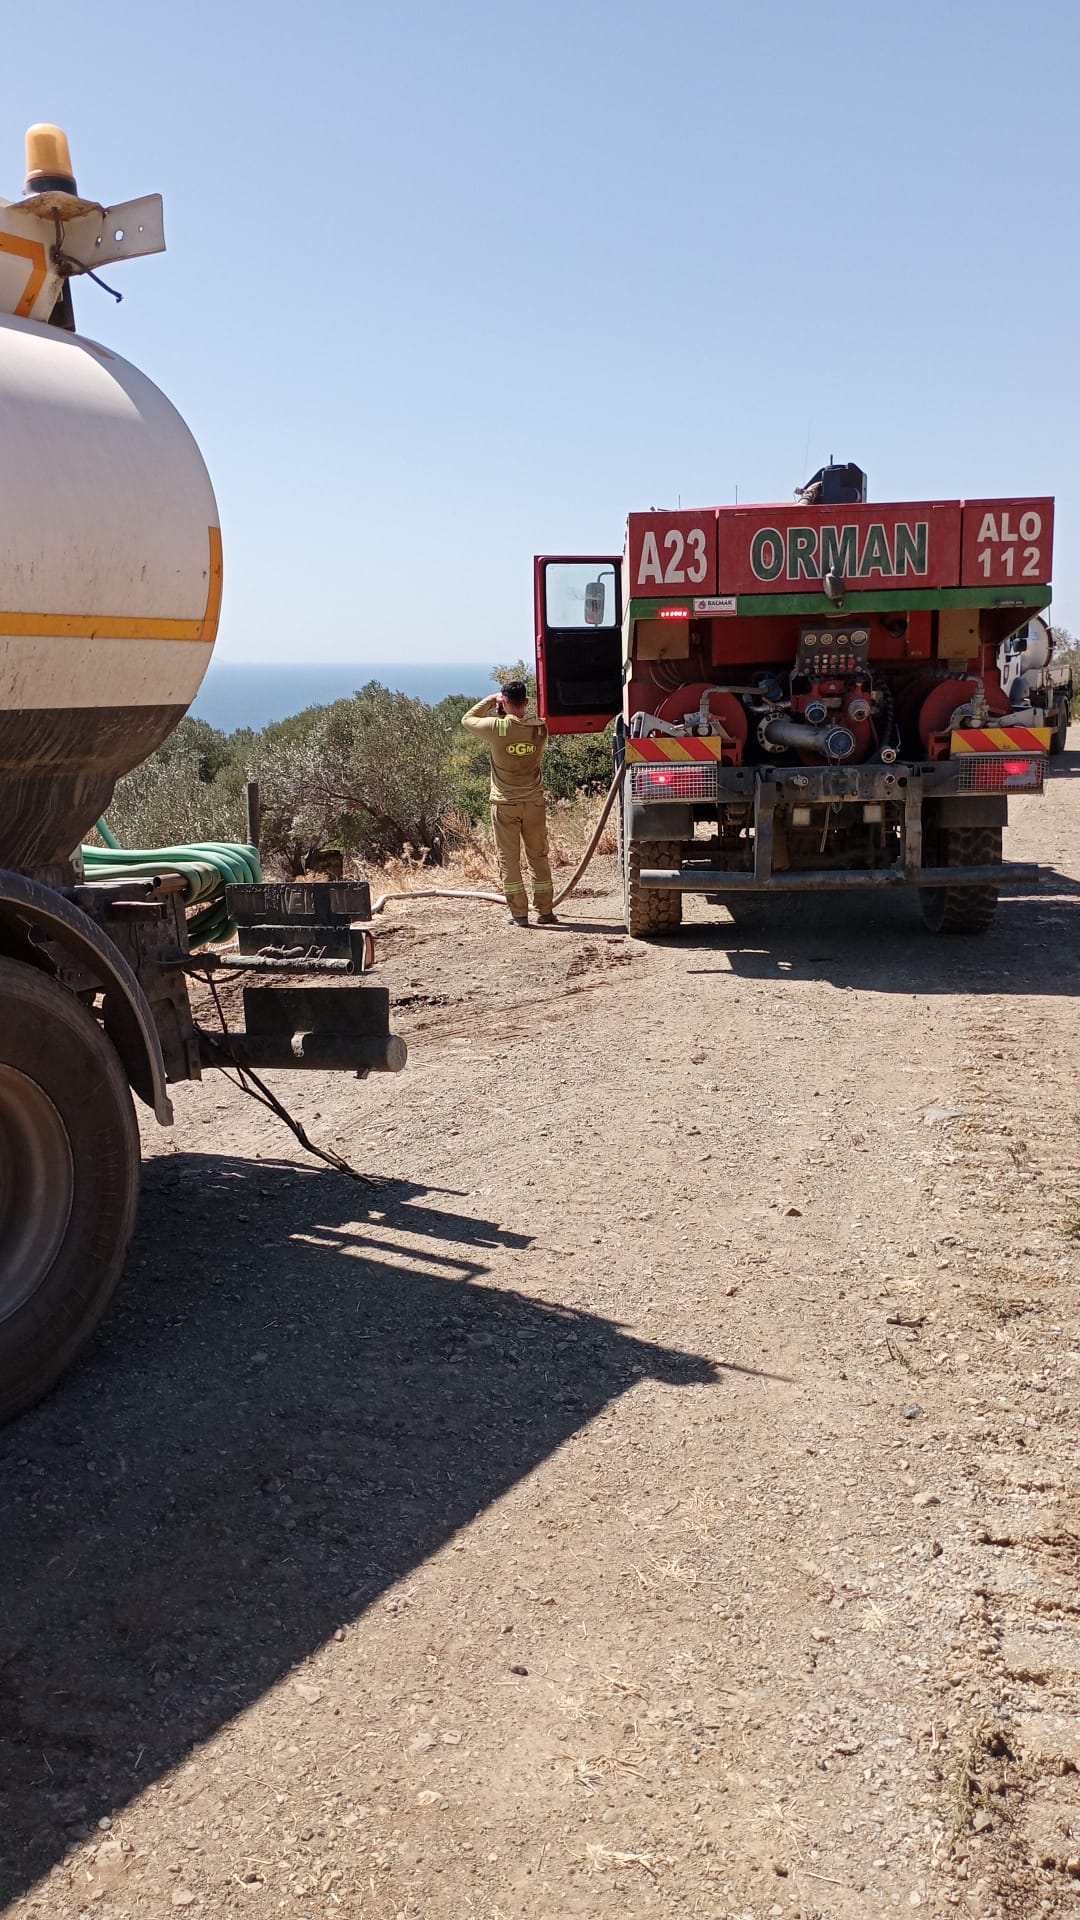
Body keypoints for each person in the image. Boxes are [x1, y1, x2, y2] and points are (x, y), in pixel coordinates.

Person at [461, 681, 555, 927]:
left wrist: (493, 700)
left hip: (504, 804)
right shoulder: (540, 729)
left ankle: (519, 914)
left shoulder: (496, 728)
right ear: (526, 702)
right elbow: (533, 721)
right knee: (539, 857)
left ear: (504, 701)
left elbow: (468, 718)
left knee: (509, 860)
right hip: (534, 803)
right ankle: (545, 911)